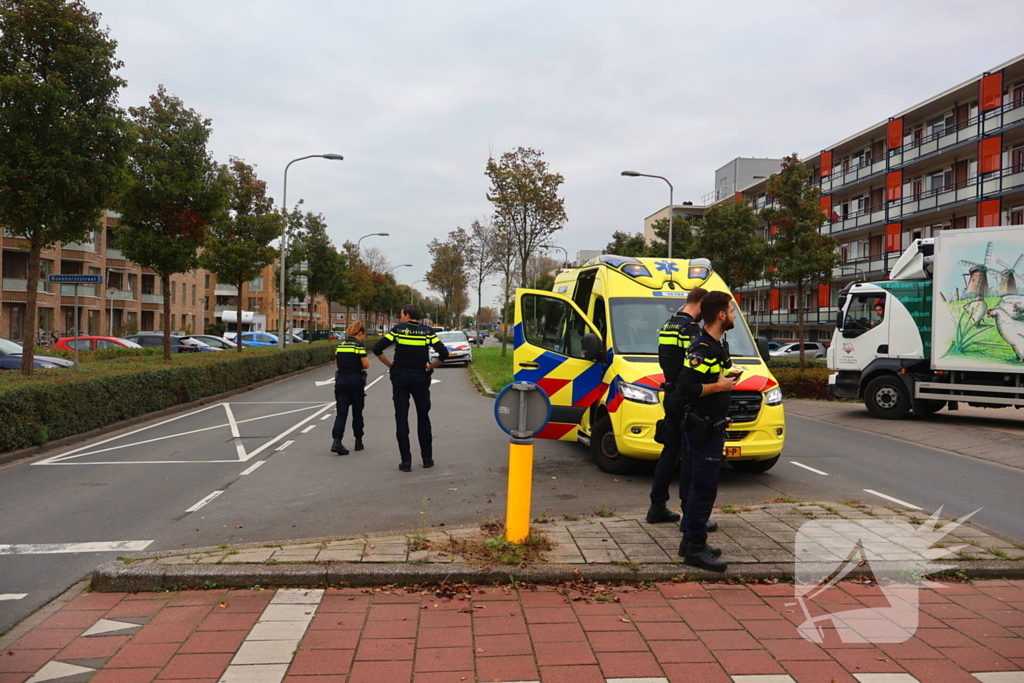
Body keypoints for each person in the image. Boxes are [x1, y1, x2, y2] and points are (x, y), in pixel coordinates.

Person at [674, 291, 741, 572]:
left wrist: (725, 383)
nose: (735, 315)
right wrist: (720, 387)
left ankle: (691, 541)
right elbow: (686, 387)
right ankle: (695, 548)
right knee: (703, 488)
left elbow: (711, 379)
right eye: (732, 310)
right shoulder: (702, 348)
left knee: (697, 485)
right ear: (721, 315)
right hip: (703, 429)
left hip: (710, 424)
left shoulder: (715, 345)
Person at [647, 287, 707, 524]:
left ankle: (657, 506)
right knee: (689, 455)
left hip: (669, 392)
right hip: (684, 397)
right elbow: (693, 366)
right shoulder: (690, 329)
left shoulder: (668, 326)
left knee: (669, 452)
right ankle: (689, 514)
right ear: (700, 303)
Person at [372, 304, 448, 472]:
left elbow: (377, 348)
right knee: (423, 417)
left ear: (407, 315)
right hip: (420, 378)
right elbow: (444, 353)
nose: (400, 318)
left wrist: (390, 365)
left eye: (401, 315)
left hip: (400, 377)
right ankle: (427, 459)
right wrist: (431, 366)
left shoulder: (398, 330)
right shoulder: (428, 332)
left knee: (401, 418)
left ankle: (406, 462)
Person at [331, 321, 370, 456]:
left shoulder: (340, 346)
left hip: (341, 381)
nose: (363, 337)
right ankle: (358, 441)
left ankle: (337, 441)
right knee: (357, 413)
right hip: (355, 381)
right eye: (363, 335)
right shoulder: (359, 346)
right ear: (360, 333)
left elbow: (337, 364)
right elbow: (365, 365)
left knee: (341, 413)